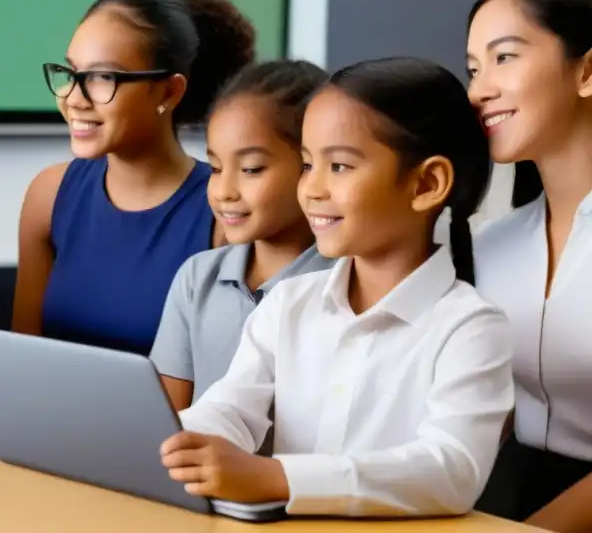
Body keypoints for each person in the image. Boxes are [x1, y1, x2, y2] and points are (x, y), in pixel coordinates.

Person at [159, 57, 514, 517]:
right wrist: (183, 445)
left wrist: (277, 478)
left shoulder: (471, 327)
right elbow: (231, 406)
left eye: (340, 166)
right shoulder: (289, 303)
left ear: (427, 183)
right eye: (308, 164)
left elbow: (450, 470)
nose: (312, 188)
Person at [12, 0, 256, 356]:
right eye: (70, 72)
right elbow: (18, 359)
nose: (74, 99)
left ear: (169, 93)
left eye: (103, 78)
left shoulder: (224, 212)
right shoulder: (48, 194)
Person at [467, 0, 592, 531]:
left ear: (587, 71)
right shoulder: (490, 244)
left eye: (504, 58)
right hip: (508, 503)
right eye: (473, 68)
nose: (477, 89)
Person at [150, 60, 334, 411]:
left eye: (251, 169)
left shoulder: (345, 283)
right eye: (216, 168)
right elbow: (165, 420)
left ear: (311, 165)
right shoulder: (196, 277)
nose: (223, 191)